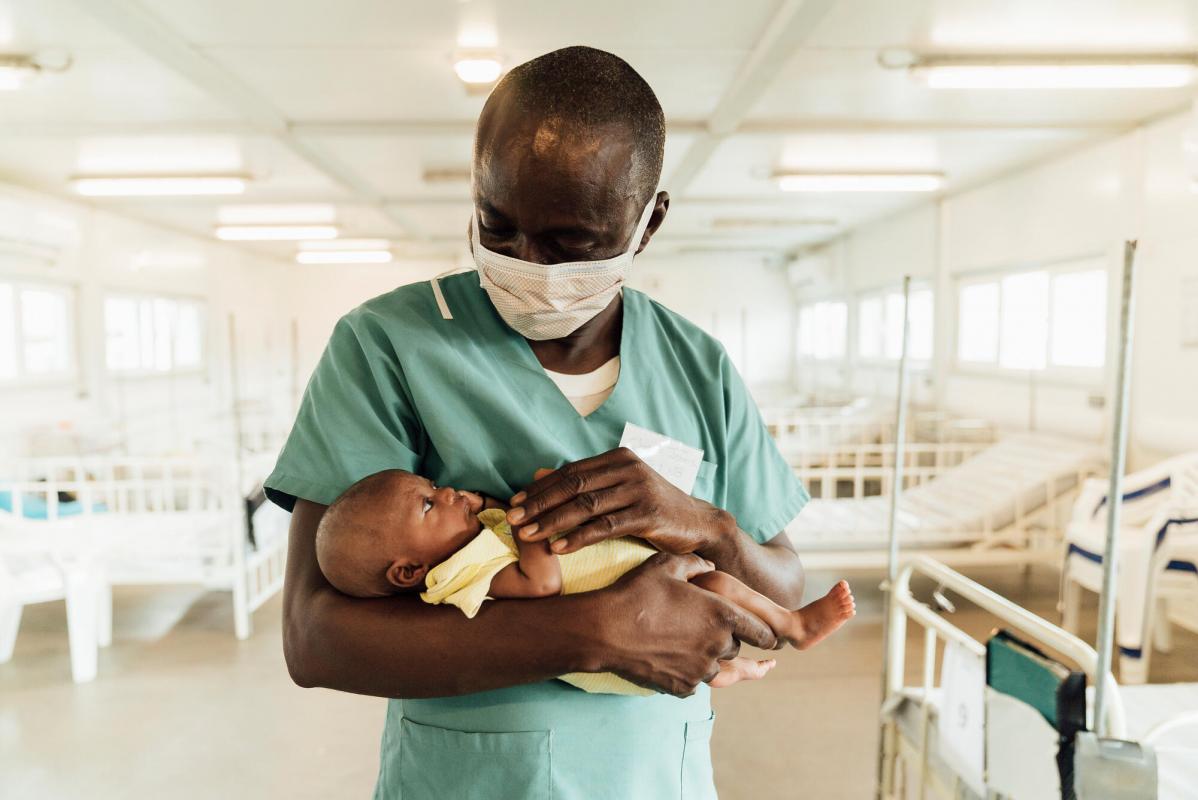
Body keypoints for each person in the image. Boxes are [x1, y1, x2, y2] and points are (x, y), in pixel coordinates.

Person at [267, 45, 811, 799]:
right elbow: (315, 638)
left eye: (570, 245)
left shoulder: (697, 365)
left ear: (647, 223)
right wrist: (597, 631)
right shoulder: (389, 345)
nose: (526, 264)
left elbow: (783, 590)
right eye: (497, 225)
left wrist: (704, 525)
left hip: (658, 777)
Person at [315, 469, 855, 694]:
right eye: (431, 504)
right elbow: (541, 584)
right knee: (708, 598)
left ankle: (784, 627)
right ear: (409, 571)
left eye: (435, 485)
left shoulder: (471, 540)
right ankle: (764, 646)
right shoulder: (461, 575)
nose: (451, 492)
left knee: (713, 586)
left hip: (652, 592)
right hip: (613, 647)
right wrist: (530, 519)